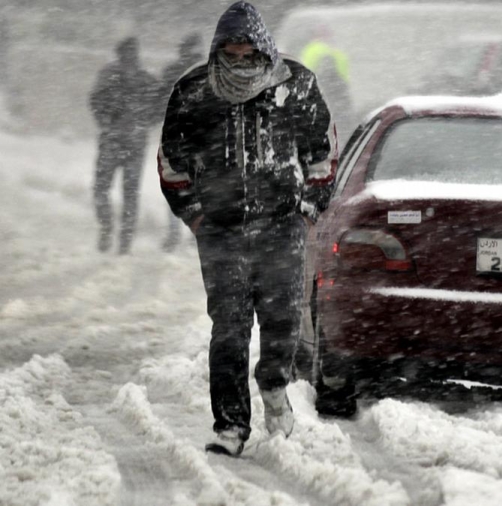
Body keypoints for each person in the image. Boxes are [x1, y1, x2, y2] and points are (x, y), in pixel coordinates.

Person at [158, 1, 334, 457]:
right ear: (217, 51)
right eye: (230, 55)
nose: (239, 63)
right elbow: (172, 165)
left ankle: (274, 389)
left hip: (282, 227)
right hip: (221, 231)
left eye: (247, 54)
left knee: (282, 322)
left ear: (263, 50)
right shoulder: (194, 92)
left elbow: (322, 156)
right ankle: (231, 425)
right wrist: (196, 216)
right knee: (229, 330)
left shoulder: (295, 85)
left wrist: (306, 212)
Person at [89, 36, 159, 254]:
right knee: (128, 193)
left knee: (103, 188)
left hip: (114, 140)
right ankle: (123, 238)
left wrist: (106, 122)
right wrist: (143, 124)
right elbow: (160, 107)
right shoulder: (146, 79)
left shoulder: (110, 75)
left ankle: (108, 228)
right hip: (133, 142)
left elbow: (94, 101)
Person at [158, 33, 204, 253]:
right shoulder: (207, 70)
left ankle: (174, 233)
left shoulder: (172, 71)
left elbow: (160, 100)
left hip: (176, 136)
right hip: (203, 137)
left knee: (175, 184)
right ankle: (197, 231)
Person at [300, 26, 354, 148]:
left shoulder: (310, 50)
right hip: (338, 95)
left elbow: (308, 74)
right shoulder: (334, 52)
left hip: (322, 94)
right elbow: (340, 77)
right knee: (341, 130)